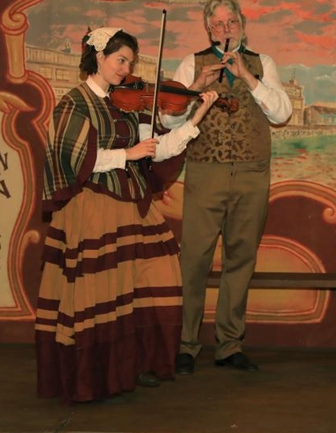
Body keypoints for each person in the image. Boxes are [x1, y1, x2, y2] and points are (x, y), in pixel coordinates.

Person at [34, 27, 218, 404]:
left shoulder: (124, 104)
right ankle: (96, 375)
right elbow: (75, 158)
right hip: (93, 207)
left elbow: (157, 150)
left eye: (130, 62)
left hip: (131, 206)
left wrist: (197, 116)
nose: (126, 69)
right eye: (121, 60)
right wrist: (126, 156)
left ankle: (127, 365)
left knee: (144, 284)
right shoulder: (74, 103)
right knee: (99, 293)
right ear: (98, 57)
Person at [166, 0, 292, 375]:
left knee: (241, 259)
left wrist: (249, 78)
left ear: (242, 24)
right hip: (205, 171)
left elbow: (282, 113)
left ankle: (229, 344)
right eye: (217, 25)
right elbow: (169, 123)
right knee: (194, 260)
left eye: (231, 23)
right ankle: (187, 345)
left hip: (252, 172)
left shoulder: (262, 63)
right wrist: (194, 87)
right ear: (208, 29)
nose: (225, 30)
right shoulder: (192, 63)